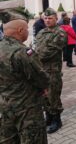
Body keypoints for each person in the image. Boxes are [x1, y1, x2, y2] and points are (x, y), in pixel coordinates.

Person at [0, 9, 49, 143]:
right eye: (26, 29)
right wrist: (45, 88)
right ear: (20, 31)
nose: (28, 31)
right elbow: (40, 78)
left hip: (5, 107)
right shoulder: (22, 52)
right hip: (27, 110)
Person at [35, 8, 67, 134]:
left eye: (50, 18)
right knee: (44, 96)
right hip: (41, 71)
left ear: (56, 18)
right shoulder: (41, 32)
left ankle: (56, 120)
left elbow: (49, 52)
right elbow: (34, 46)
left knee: (53, 96)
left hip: (53, 71)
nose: (47, 20)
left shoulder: (60, 33)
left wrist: (32, 56)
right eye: (46, 18)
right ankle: (48, 117)